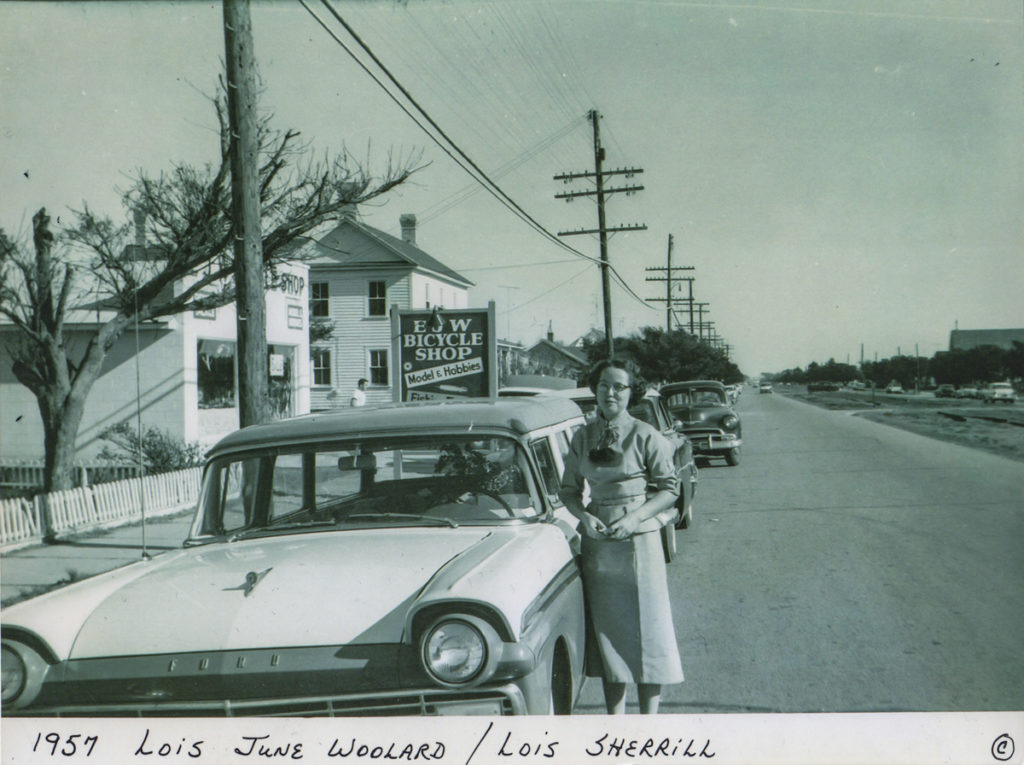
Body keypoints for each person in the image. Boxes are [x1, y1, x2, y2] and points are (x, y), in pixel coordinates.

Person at [559, 358, 684, 714]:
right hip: (599, 545)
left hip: (640, 541)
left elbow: (669, 489)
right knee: (609, 632)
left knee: (648, 630)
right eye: (604, 386)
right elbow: (568, 490)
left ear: (632, 392)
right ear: (595, 390)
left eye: (619, 387)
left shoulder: (646, 435)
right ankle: (616, 721)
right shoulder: (582, 437)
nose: (610, 393)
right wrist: (584, 517)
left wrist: (635, 519)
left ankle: (648, 722)